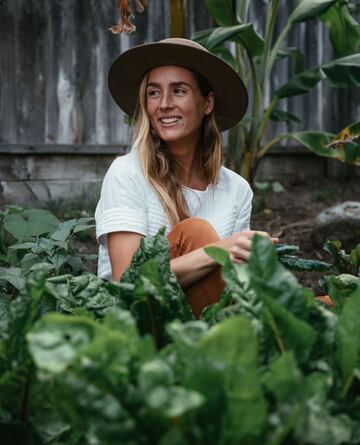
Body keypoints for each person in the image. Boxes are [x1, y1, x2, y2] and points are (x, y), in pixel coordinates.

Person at [95, 38, 278, 318]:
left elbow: (231, 283)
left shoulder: (236, 190)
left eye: (178, 91)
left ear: (207, 103)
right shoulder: (127, 173)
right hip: (140, 324)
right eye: (153, 93)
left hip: (203, 321)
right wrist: (220, 249)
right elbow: (126, 282)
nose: (164, 104)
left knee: (323, 305)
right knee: (195, 232)